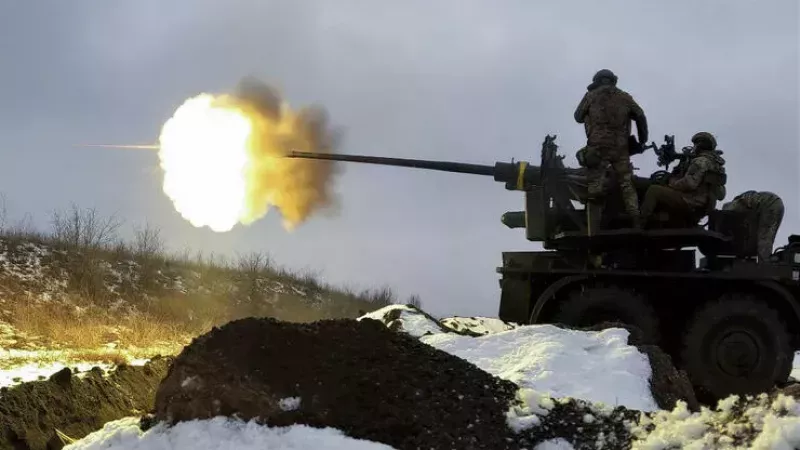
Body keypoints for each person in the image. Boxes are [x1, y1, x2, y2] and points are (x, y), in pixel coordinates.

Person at [574, 69, 649, 232]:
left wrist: (589, 95)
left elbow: (578, 116)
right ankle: (636, 219)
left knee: (595, 184)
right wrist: (642, 140)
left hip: (598, 146)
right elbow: (640, 115)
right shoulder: (625, 97)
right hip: (620, 147)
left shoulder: (591, 96)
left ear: (598, 81)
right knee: (626, 183)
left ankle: (594, 226)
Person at [640, 131, 727, 226]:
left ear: (700, 145)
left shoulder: (700, 161)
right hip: (702, 206)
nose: (694, 147)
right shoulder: (716, 166)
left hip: (690, 202)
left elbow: (689, 183)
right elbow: (721, 195)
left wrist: (671, 183)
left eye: (695, 144)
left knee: (654, 190)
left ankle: (640, 224)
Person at [722, 191, 785, 261]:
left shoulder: (733, 206)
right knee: (764, 236)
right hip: (775, 204)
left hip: (769, 204)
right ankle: (765, 261)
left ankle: (765, 264)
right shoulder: (748, 207)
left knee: (764, 236)